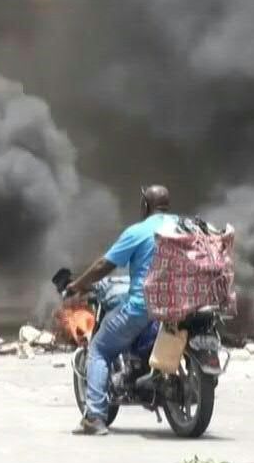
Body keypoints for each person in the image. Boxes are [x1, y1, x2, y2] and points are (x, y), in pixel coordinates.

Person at [63, 185, 180, 435]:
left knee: (99, 349)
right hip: (181, 306)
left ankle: (94, 417)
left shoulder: (139, 231)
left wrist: (77, 285)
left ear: (146, 205)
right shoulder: (184, 227)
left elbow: (104, 265)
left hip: (144, 307)